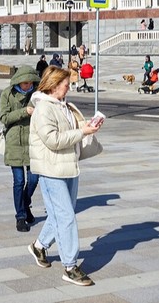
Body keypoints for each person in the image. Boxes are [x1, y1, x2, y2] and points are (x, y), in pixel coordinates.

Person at [27, 66, 101, 287]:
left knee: (62, 213)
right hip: (52, 169)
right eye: (66, 84)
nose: (69, 87)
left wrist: (86, 126)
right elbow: (53, 140)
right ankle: (70, 266)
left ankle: (39, 246)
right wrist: (81, 133)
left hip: (69, 165)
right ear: (54, 85)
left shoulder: (63, 105)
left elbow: (71, 127)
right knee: (66, 216)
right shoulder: (43, 108)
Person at [0, 66, 40, 233]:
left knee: (34, 179)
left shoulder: (37, 94)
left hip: (33, 141)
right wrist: (25, 111)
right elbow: (4, 118)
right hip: (15, 141)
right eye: (25, 83)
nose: (28, 85)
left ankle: (24, 204)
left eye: (30, 82)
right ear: (18, 81)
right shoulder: (7, 94)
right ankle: (21, 216)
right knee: (19, 181)